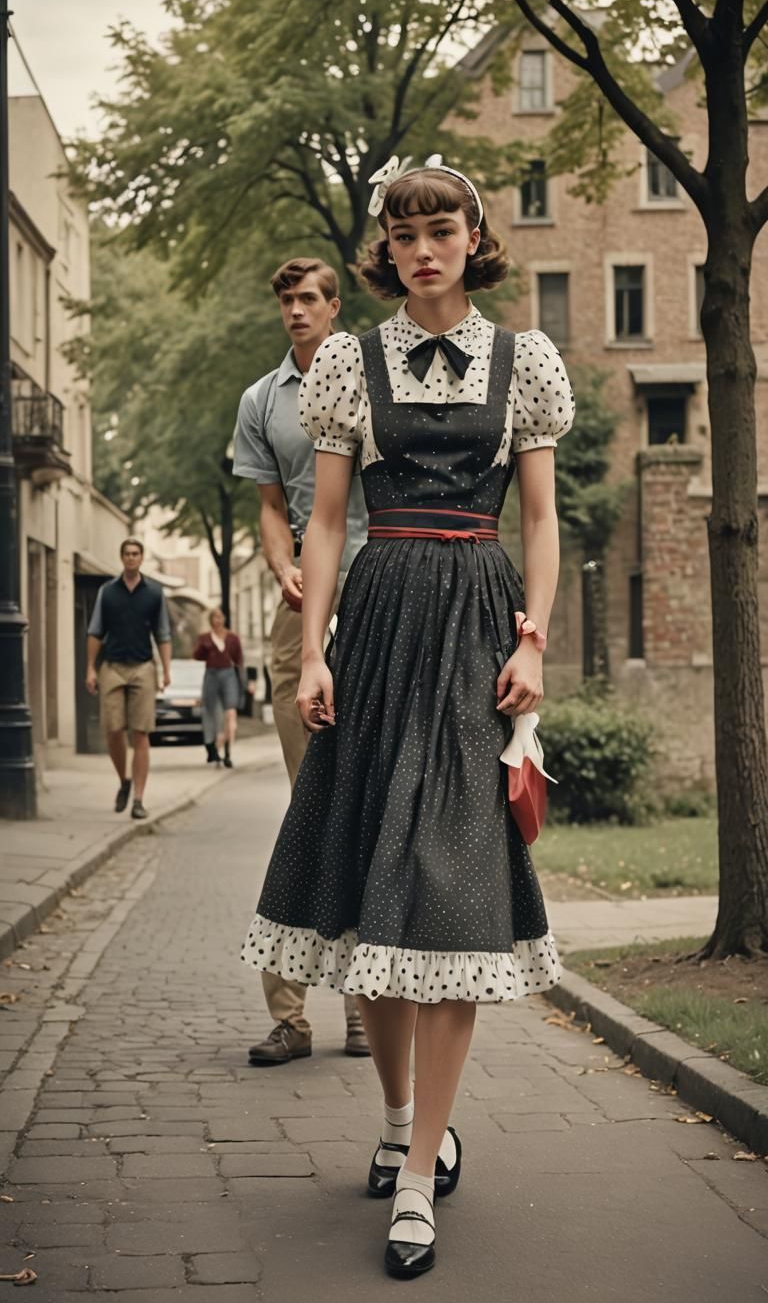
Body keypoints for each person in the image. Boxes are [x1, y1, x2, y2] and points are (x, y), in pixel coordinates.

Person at [240, 158, 575, 1278]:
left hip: (477, 627)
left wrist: (533, 639)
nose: (421, 246)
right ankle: (395, 1117)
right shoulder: (347, 361)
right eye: (403, 230)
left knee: (450, 893)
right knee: (372, 896)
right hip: (378, 633)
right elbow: (327, 525)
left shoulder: (525, 361)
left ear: (472, 235)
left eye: (441, 227)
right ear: (383, 247)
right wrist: (316, 652)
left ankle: (421, 1177)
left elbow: (540, 519)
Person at [233, 256, 371, 1064]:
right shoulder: (261, 400)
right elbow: (270, 507)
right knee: (306, 809)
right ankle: (290, 1015)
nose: (295, 311)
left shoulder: (372, 376)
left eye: (307, 298)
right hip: (300, 611)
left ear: (333, 305)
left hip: (380, 603)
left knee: (365, 807)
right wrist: (281, 565)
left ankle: (365, 1009)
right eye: (285, 299)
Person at [85, 538, 172, 821]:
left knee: (141, 733)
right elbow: (95, 631)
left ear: (142, 558)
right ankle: (123, 780)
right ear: (121, 557)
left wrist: (167, 670)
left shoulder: (154, 593)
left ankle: (138, 798)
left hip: (143, 667)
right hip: (112, 666)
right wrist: (90, 668)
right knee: (113, 729)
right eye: (127, 554)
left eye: (136, 554)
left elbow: (163, 634)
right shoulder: (107, 592)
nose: (132, 558)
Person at [193, 608, 244, 768]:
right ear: (210, 620)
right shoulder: (205, 638)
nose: (218, 620)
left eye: (220, 617)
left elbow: (239, 660)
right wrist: (205, 647)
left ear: (224, 618)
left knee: (230, 714)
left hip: (228, 674)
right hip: (211, 675)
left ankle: (226, 751)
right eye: (214, 617)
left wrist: (246, 681)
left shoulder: (233, 638)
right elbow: (197, 656)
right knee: (211, 712)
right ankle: (212, 748)